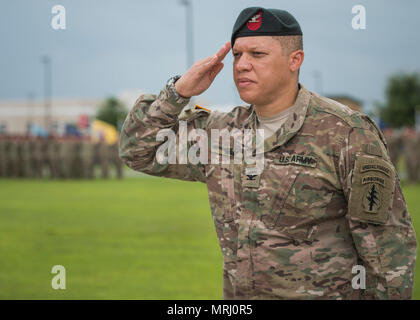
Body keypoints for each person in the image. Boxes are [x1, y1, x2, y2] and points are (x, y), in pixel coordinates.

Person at [119, 7, 417, 299]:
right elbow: (138, 151)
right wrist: (179, 93)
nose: (241, 65)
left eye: (257, 54)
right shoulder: (221, 133)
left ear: (294, 60)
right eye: (237, 55)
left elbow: (387, 251)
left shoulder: (346, 133)